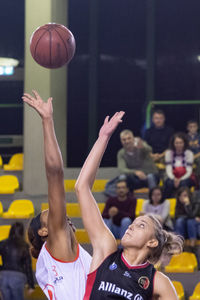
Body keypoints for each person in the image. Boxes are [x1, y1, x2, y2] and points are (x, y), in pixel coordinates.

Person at [75, 112, 183, 300]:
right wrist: (103, 138)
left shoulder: (158, 281)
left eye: (141, 225)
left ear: (152, 242)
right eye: (134, 222)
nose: (131, 226)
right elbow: (81, 187)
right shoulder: (106, 252)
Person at [22, 90, 91, 300]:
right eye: (49, 214)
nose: (59, 214)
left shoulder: (76, 255)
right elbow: (55, 173)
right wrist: (47, 121)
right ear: (45, 231)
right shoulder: (57, 244)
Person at [0, 222, 34, 300]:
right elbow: (28, 266)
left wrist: (1, 268)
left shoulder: (3, 243)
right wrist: (31, 285)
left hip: (3, 275)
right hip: (18, 276)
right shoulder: (25, 245)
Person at [163, 132, 194, 198]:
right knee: (169, 183)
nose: (179, 145)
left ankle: (185, 203)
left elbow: (189, 171)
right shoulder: (168, 153)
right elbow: (168, 169)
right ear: (173, 143)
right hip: (172, 176)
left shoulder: (189, 153)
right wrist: (174, 179)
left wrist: (180, 179)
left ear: (184, 143)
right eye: (177, 143)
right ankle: (167, 202)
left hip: (185, 176)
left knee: (184, 184)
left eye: (181, 143)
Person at [175, 187, 200, 251]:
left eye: (185, 195)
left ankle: (192, 244)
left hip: (193, 224)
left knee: (190, 221)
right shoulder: (178, 204)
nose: (183, 197)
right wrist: (190, 217)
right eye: (181, 195)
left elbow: (192, 215)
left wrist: (187, 205)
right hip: (183, 225)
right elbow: (177, 216)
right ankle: (180, 244)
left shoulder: (195, 202)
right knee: (179, 221)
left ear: (189, 195)